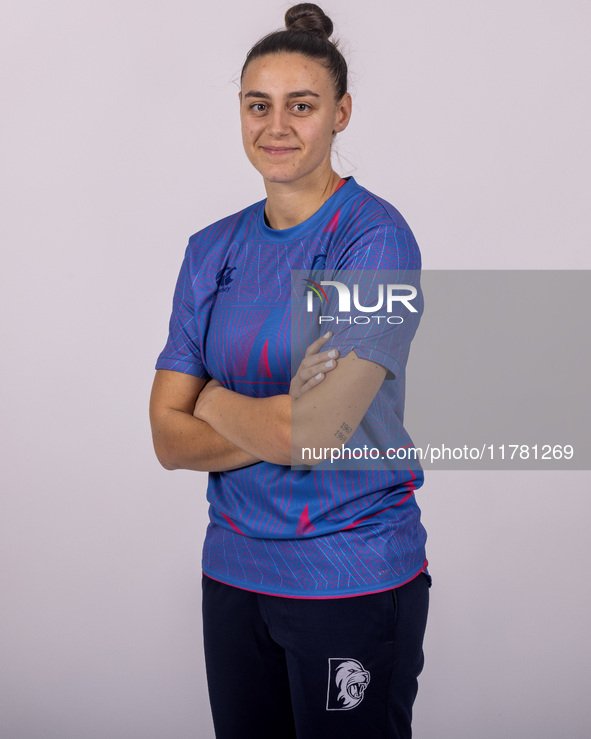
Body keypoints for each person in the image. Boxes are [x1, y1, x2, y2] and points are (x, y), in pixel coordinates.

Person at [149, 4, 430, 737]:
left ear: (339, 113)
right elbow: (166, 439)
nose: (276, 126)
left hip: (351, 573)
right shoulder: (210, 249)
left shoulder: (374, 238)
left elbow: (317, 430)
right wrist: (279, 417)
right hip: (233, 573)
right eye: (257, 105)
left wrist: (209, 396)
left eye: (300, 106)